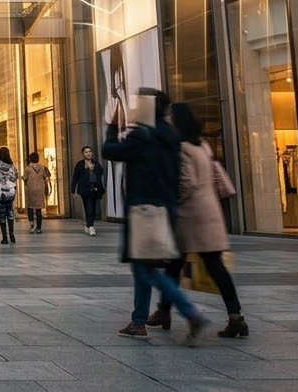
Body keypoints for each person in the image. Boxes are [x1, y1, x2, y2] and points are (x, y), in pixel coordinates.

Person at [102, 88, 208, 342]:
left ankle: (190, 312)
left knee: (146, 270)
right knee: (143, 267)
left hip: (143, 210)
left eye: (139, 102)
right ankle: (138, 321)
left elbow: (110, 152)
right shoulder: (170, 135)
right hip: (165, 208)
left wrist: (112, 128)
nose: (135, 107)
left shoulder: (143, 136)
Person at [148, 103, 247, 338]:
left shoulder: (181, 148)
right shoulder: (203, 145)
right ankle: (235, 317)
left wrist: (171, 200)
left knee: (181, 264)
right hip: (209, 211)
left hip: (190, 216)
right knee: (208, 266)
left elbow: (186, 182)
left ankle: (165, 311)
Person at [71, 145, 105, 235]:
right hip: (84, 189)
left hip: (94, 189)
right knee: (88, 207)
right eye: (86, 152)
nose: (88, 153)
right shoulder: (80, 164)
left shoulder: (95, 163)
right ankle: (91, 227)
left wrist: (93, 169)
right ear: (83, 154)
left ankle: (88, 225)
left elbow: (100, 172)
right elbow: (75, 177)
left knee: (92, 208)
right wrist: (73, 190)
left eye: (89, 151)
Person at [0, 146, 18, 244]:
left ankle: (4, 238)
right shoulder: (12, 166)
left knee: (2, 214)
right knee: (10, 213)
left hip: (0, 192)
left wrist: (0, 179)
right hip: (10, 192)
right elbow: (15, 177)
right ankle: (12, 236)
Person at [23, 152, 51, 234]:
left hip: (31, 190)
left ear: (30, 159)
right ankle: (39, 228)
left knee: (30, 207)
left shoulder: (27, 168)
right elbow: (46, 177)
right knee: (38, 209)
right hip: (40, 190)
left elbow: (25, 178)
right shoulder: (42, 168)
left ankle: (32, 225)